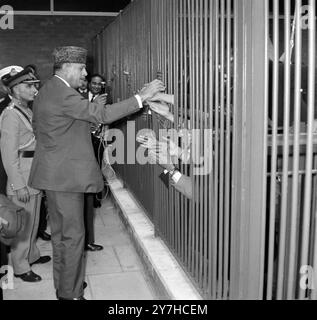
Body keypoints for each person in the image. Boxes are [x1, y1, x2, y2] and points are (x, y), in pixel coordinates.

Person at [28, 46, 165, 300]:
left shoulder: (51, 90)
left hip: (56, 174)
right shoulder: (62, 93)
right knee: (72, 237)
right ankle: (70, 294)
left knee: (62, 237)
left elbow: (59, 127)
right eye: (81, 68)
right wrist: (141, 97)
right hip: (65, 178)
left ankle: (67, 285)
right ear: (67, 68)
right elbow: (102, 113)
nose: (85, 72)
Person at [0, 66, 51, 283]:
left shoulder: (26, 109)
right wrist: (18, 185)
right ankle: (20, 267)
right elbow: (8, 154)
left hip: (34, 174)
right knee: (23, 225)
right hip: (22, 177)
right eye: (28, 86)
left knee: (34, 220)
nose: (34, 90)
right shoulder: (10, 114)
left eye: (34, 85)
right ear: (14, 89)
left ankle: (32, 255)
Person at [78, 76, 104, 252]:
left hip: (88, 148)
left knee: (86, 204)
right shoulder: (72, 98)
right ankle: (83, 242)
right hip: (78, 157)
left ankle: (87, 240)